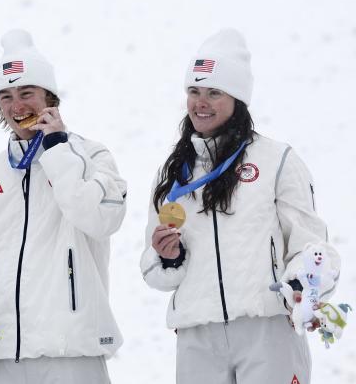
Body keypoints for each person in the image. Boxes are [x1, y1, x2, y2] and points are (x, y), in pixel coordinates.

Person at [139, 29, 341, 383]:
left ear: (237, 99)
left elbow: (310, 245)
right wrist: (168, 256)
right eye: (194, 91)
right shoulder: (173, 173)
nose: (200, 102)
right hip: (197, 334)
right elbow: (155, 272)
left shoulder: (277, 160)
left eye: (214, 92)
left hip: (265, 328)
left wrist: (303, 287)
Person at [0, 29, 127, 384]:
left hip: (70, 351)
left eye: (27, 92)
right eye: (6, 96)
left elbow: (102, 219)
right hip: (3, 353)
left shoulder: (90, 155)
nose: (17, 106)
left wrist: (57, 149)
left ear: (50, 96)